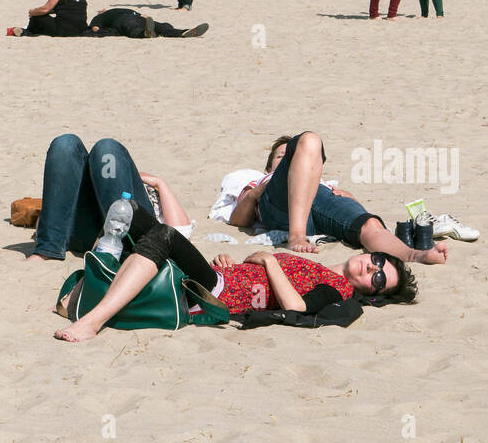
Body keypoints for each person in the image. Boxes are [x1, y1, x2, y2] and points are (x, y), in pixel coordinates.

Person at [53, 211, 417, 342]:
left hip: (220, 295)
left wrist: (270, 263)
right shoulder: (318, 265)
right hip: (218, 276)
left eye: (380, 279)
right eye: (379, 261)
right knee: (129, 211)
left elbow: (297, 307)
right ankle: (99, 275)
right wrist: (235, 263)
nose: (373, 269)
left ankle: (93, 320)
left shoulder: (336, 289)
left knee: (165, 236)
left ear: (374, 292)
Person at [227, 131, 450, 267]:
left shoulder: (326, 183)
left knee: (369, 224)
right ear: (268, 166)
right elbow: (238, 220)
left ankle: (414, 255)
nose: (291, 159)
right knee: (310, 140)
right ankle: (297, 236)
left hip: (321, 195)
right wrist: (255, 194)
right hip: (280, 202)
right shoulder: (258, 180)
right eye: (282, 157)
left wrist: (350, 197)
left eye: (294, 156)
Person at [29, 134, 191, 261]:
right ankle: (48, 248)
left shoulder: (148, 191)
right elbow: (42, 221)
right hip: (86, 231)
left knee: (106, 148)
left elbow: (180, 231)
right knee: (65, 144)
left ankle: (123, 246)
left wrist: (160, 183)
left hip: (129, 229)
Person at [88, 7, 208, 38]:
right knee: (160, 27)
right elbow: (95, 28)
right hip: (129, 18)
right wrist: (96, 29)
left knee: (162, 26)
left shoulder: (107, 13)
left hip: (134, 17)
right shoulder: (100, 17)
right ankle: (146, 33)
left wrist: (141, 15)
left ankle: (184, 32)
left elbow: (95, 29)